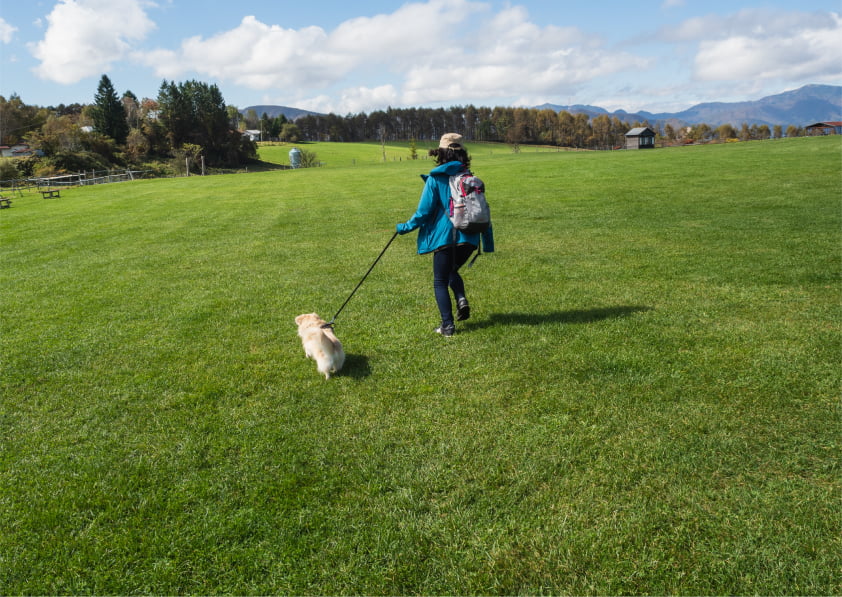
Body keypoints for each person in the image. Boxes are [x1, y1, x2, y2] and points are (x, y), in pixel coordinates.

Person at [397, 133, 494, 336]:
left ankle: (447, 326)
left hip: (446, 239)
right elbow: (484, 211)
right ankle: (461, 299)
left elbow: (423, 213)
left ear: (440, 152)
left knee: (440, 280)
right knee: (451, 271)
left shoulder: (436, 178)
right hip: (470, 238)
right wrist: (488, 242)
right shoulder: (469, 177)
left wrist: (404, 227)